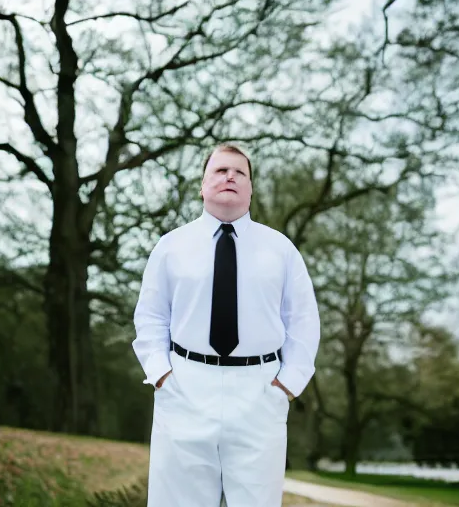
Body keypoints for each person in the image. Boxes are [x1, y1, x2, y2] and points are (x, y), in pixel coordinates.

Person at [133, 143, 320, 507]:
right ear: (202, 186)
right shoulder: (170, 247)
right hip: (184, 386)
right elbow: (151, 316)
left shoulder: (281, 250)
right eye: (220, 171)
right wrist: (161, 375)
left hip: (260, 392)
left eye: (240, 172)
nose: (230, 176)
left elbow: (303, 320)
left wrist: (288, 384)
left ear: (251, 189)